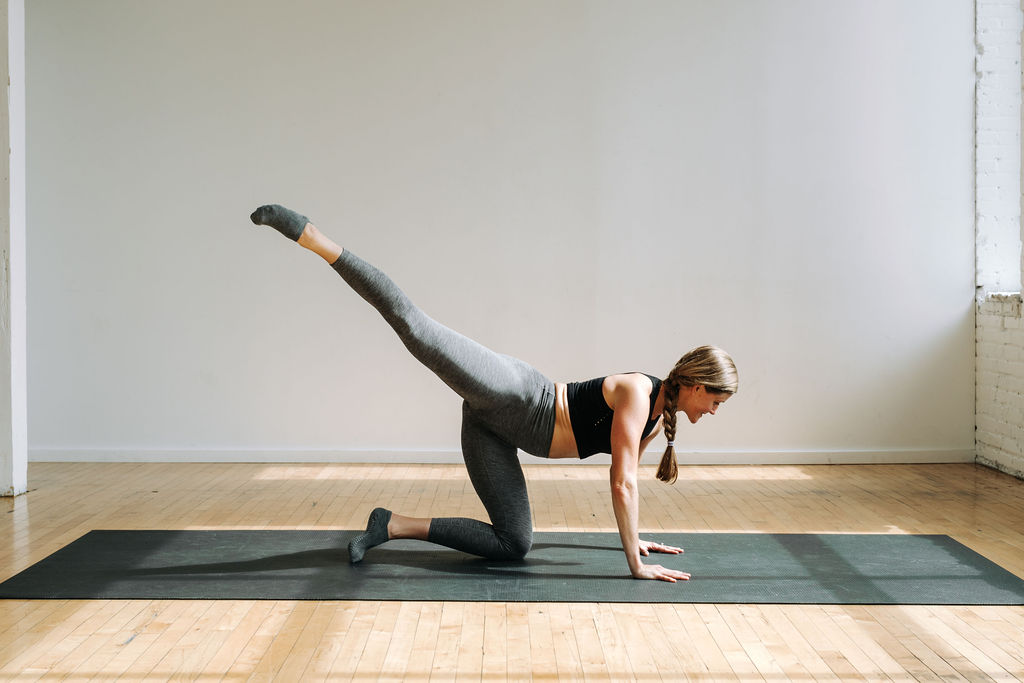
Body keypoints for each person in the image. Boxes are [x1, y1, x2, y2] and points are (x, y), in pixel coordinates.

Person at [250, 204, 738, 582]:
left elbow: (626, 480)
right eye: (716, 402)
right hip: (515, 396)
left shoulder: (657, 416)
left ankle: (390, 524)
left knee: (513, 543)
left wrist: (638, 540)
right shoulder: (637, 392)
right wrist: (635, 562)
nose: (714, 411)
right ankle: (312, 236)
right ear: (697, 385)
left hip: (496, 430)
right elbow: (622, 483)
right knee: (414, 327)